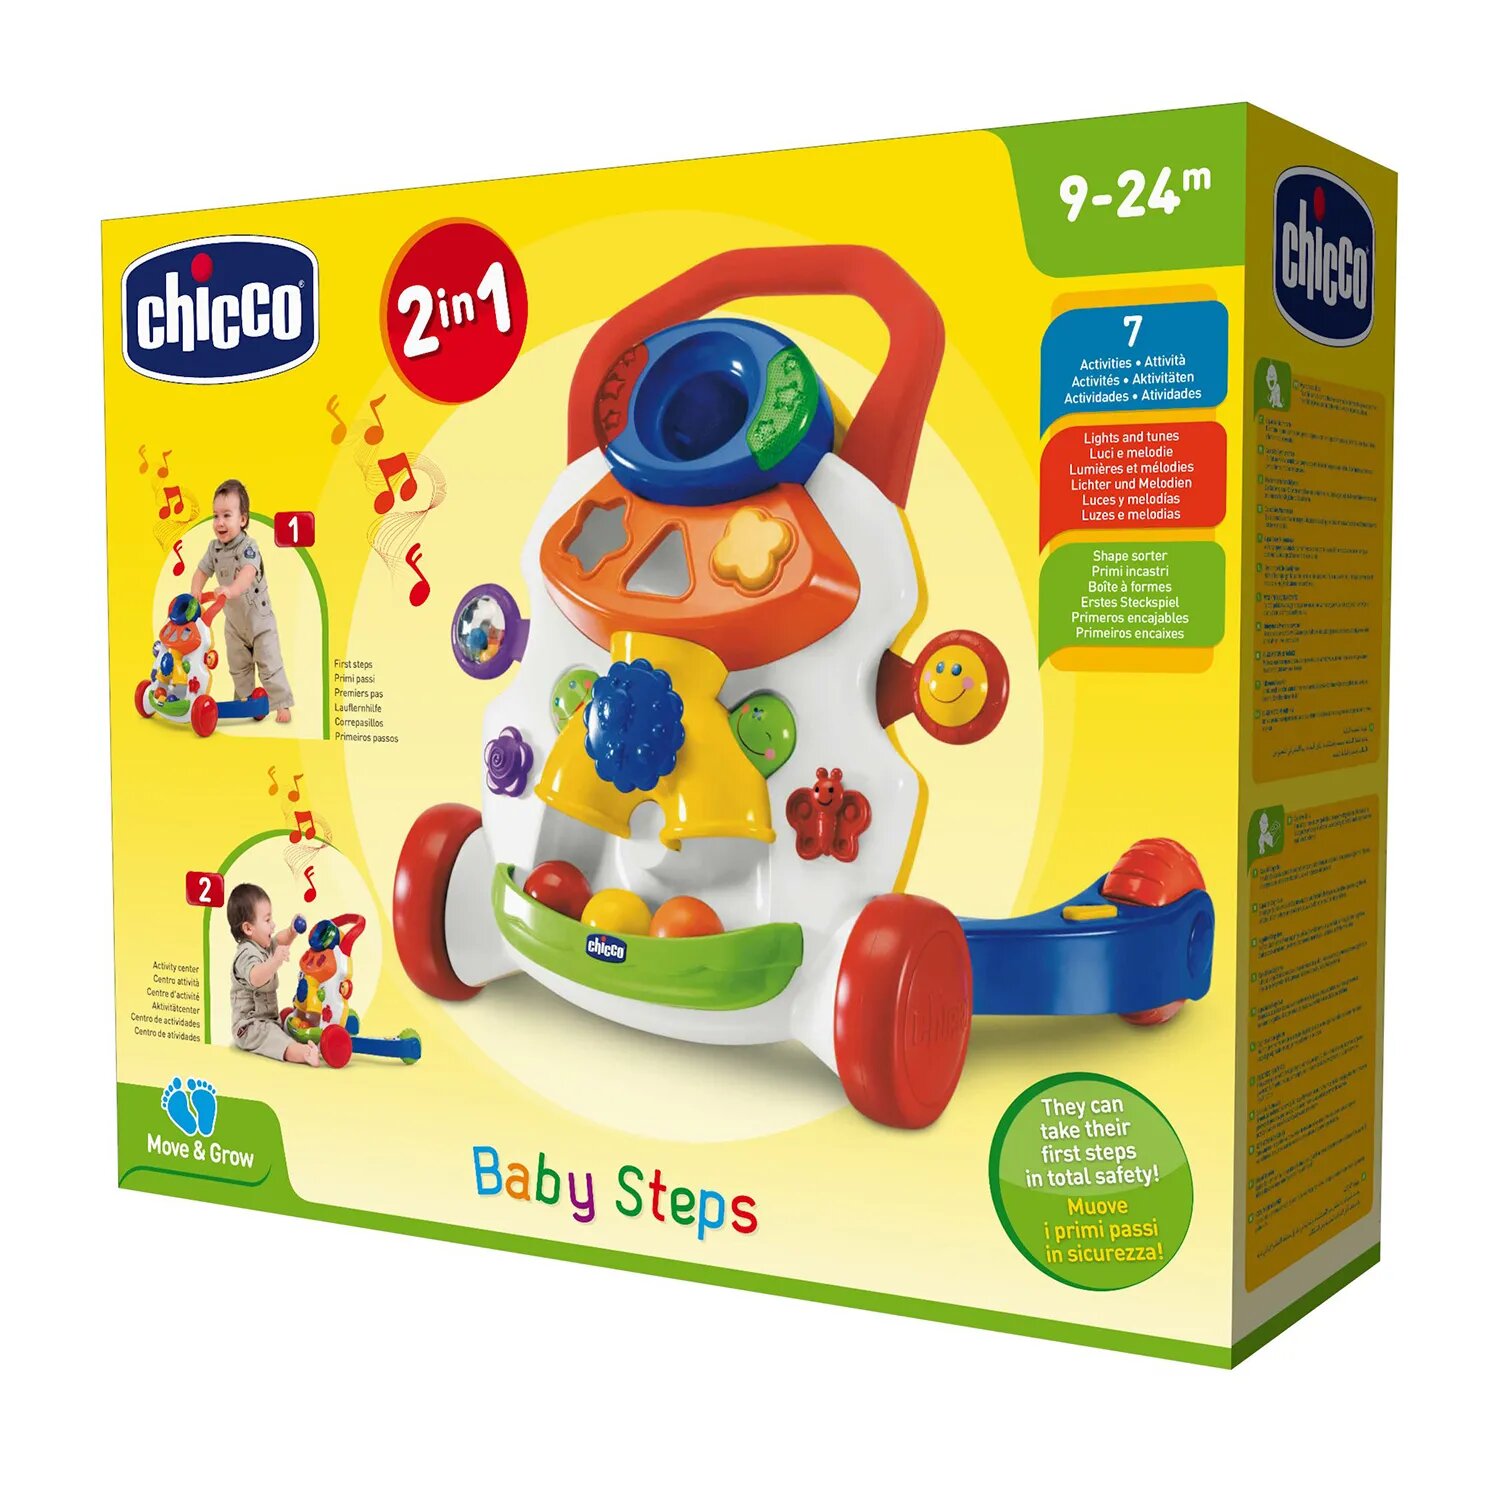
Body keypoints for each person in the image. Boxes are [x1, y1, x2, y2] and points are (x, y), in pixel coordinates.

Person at [190, 479, 294, 723]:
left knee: (269, 661)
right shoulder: (214, 549)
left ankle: (281, 704)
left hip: (259, 619)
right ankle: (246, 702)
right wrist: (195, 592)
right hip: (234, 622)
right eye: (216, 516)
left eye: (227, 515)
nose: (220, 522)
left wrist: (231, 589)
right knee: (238, 665)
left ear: (243, 519)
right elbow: (201, 571)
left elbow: (247, 573)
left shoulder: (248, 547)